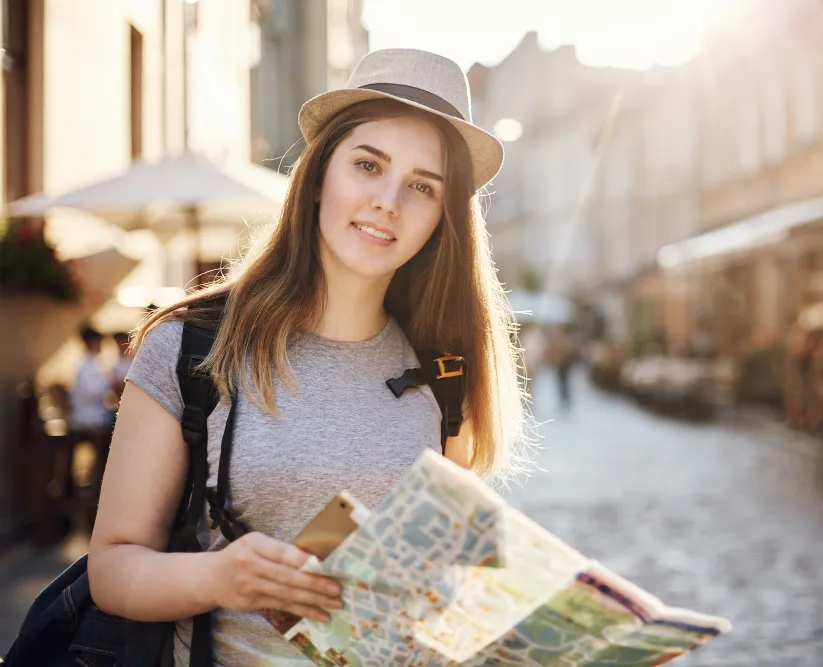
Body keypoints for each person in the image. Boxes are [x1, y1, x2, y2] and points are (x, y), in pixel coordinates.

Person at [88, 49, 530, 665]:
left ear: (442, 219)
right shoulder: (192, 346)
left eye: (422, 186)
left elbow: (451, 588)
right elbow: (110, 570)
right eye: (368, 165)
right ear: (321, 173)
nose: (389, 201)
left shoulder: (447, 370)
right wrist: (219, 578)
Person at [110, 331, 134, 399]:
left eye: (123, 342)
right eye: (119, 343)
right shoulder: (115, 361)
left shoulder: (134, 360)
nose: (121, 345)